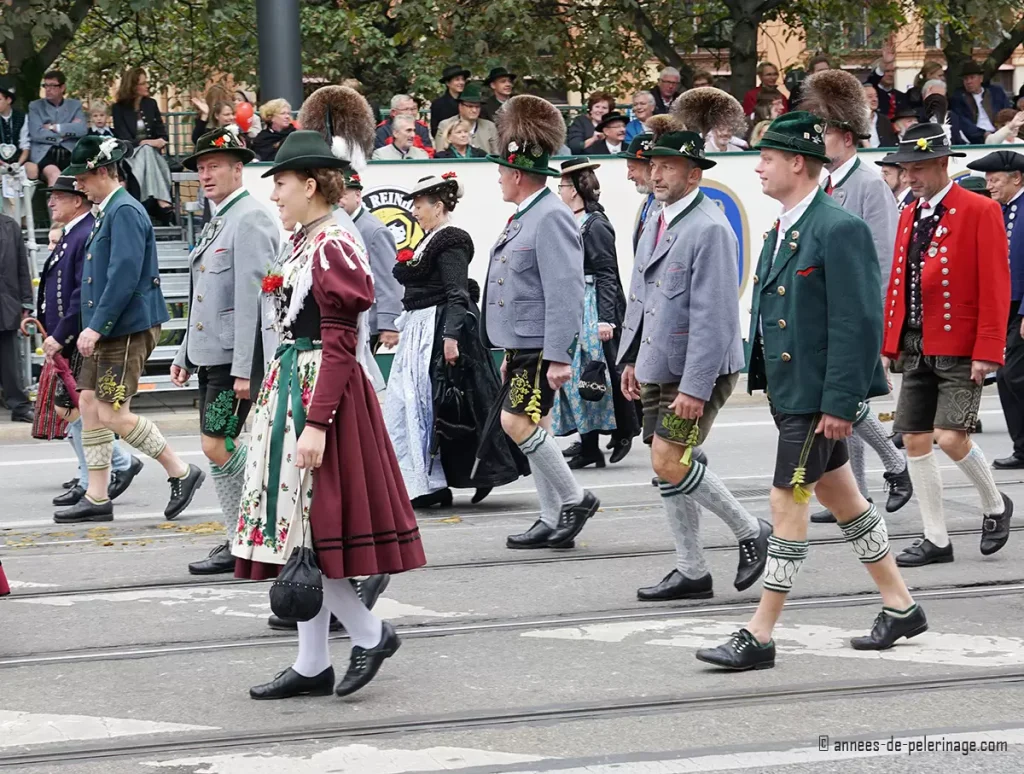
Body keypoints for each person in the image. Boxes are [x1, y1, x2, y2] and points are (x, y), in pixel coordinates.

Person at [696, 112, 925, 671]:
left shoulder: (837, 227)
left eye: (767, 158)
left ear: (797, 162)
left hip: (818, 399)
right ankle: (901, 605)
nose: (759, 168)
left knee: (786, 500)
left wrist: (841, 403)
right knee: (841, 498)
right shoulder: (784, 226)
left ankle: (760, 633)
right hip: (793, 392)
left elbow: (857, 321)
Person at [232, 129, 425, 701]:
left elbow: (341, 344)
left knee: (314, 531)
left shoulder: (333, 245)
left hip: (322, 396)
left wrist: (316, 423)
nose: (275, 195)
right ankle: (313, 661)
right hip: (296, 386)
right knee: (303, 534)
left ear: (311, 185)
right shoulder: (307, 240)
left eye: (282, 183)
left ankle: (370, 634)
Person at [617, 131, 770, 601]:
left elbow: (715, 317)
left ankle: (751, 530)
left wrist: (695, 388)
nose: (656, 174)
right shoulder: (656, 216)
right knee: (670, 463)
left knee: (669, 460)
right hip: (658, 361)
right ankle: (691, 570)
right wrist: (631, 357)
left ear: (694, 174)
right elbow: (642, 295)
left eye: (668, 167)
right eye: (654, 165)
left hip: (696, 369)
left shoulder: (710, 227)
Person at [54, 135, 205, 524]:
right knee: (89, 405)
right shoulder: (110, 210)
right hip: (111, 327)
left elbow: (123, 274)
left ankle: (181, 471)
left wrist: (96, 327)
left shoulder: (123, 211)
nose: (78, 185)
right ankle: (97, 495)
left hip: (124, 328)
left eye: (83, 177)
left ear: (104, 171)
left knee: (112, 412)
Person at [882, 124, 1012, 567]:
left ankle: (995, 504)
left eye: (917, 168)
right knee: (915, 438)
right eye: (906, 169)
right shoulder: (909, 211)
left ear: (942, 163)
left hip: (961, 342)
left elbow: (996, 284)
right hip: (916, 341)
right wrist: (890, 340)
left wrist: (988, 349)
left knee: (951, 437)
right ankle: (936, 538)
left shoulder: (979, 209)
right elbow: (899, 280)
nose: (910, 176)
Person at [483, 95, 599, 549]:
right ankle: (551, 517)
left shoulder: (550, 216)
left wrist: (559, 355)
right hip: (524, 343)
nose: (498, 178)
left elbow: (565, 289)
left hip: (539, 344)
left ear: (516, 174)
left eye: (501, 171)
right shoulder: (529, 213)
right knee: (537, 426)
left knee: (517, 424)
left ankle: (575, 499)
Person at [798, 69, 913, 525]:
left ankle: (895, 465)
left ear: (846, 137)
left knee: (846, 398)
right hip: (827, 311)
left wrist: (881, 326)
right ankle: (859, 491)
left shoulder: (867, 184)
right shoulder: (824, 184)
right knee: (839, 399)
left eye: (824, 132)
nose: (817, 139)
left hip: (856, 313)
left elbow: (885, 259)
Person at [168, 128, 280, 575]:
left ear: (238, 169)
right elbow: (204, 296)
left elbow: (256, 300)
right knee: (220, 445)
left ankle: (258, 525)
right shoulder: (223, 217)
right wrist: (184, 353)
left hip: (235, 360)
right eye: (200, 168)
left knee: (216, 445)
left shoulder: (249, 218)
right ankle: (242, 535)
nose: (205, 174)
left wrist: (245, 369)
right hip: (213, 356)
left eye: (214, 166)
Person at [384, 172, 527, 509]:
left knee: (447, 404)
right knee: (416, 404)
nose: (414, 211)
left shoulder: (451, 240)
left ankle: (449, 479)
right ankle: (427, 481)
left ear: (438, 206)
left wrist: (450, 338)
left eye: (419, 205)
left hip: (439, 330)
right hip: (421, 329)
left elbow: (456, 293)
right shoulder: (430, 239)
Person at [39, 177, 141, 508]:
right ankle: (104, 470)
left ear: (77, 201)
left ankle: (107, 471)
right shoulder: (73, 233)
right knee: (74, 408)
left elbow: (80, 293)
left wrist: (62, 335)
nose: (51, 203)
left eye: (58, 197)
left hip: (78, 335)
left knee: (77, 408)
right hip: (69, 334)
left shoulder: (84, 233)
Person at [550, 158, 638, 469]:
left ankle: (620, 432)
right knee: (575, 375)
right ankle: (588, 440)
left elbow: (606, 273)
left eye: (562, 186)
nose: (560, 191)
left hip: (591, 303)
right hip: (573, 301)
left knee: (593, 374)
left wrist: (605, 318)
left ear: (574, 190)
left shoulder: (595, 224)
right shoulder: (570, 220)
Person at [965, 150, 1024, 470]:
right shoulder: (999, 211)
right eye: (987, 180)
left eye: (995, 179)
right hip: (1006, 306)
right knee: (1005, 377)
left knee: (1013, 375)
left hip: (1020, 307)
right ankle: (1022, 448)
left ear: (1017, 178)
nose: (989, 185)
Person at [338, 169, 402, 349]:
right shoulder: (338, 224)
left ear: (358, 196)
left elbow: (388, 279)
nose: (338, 200)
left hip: (366, 323)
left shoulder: (374, 231)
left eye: (343, 194)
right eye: (334, 194)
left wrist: (389, 323)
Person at [111, 67, 174, 224]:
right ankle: (162, 200)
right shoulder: (118, 108)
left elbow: (162, 134)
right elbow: (123, 139)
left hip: (152, 155)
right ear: (133, 86)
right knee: (146, 149)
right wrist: (144, 142)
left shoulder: (151, 104)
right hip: (130, 155)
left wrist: (158, 141)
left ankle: (146, 204)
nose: (147, 86)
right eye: (143, 83)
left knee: (147, 151)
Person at [0, 211, 33, 423]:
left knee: (10, 361)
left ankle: (19, 406)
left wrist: (26, 301)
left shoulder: (10, 226)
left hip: (5, 302)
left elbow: (22, 266)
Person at [26, 71, 86, 187]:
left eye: (52, 85)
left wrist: (55, 127)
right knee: (55, 175)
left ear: (62, 87)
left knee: (79, 179)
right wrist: (64, 134)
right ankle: (54, 199)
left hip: (69, 152)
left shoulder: (75, 105)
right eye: (46, 85)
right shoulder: (35, 106)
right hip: (45, 152)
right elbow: (36, 133)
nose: (48, 89)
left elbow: (82, 129)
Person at [952, 61, 1011, 145]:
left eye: (972, 77)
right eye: (965, 79)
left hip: (999, 133)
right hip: (975, 138)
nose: (968, 81)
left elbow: (1007, 112)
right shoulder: (959, 97)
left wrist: (1002, 130)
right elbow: (963, 122)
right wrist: (983, 134)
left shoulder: (996, 93)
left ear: (981, 79)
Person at [433, 83, 498, 155]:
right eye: (470, 106)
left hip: (485, 161)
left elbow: (497, 154)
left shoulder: (489, 126)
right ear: (460, 107)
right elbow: (440, 154)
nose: (474, 110)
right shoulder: (445, 125)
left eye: (477, 107)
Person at [865, 40, 908, 122]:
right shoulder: (873, 91)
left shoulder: (902, 96)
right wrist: (884, 63)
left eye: (893, 71)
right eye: (887, 71)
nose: (890, 74)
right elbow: (872, 81)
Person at [431, 65, 471, 136]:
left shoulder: (470, 101)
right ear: (448, 83)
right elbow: (435, 130)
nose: (461, 82)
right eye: (457, 79)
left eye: (462, 79)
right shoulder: (438, 104)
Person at [0, 78, 30, 172]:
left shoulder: (22, 116)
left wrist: (18, 164)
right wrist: (3, 164)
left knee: (32, 169)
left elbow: (25, 146)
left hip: (18, 160)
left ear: (8, 100)